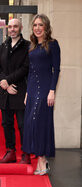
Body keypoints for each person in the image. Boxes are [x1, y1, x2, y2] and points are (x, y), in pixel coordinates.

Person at [22, 14, 61, 175]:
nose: (37, 28)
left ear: (46, 27)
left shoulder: (53, 44)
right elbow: (31, 71)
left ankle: (43, 161)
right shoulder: (31, 47)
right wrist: (26, 92)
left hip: (45, 90)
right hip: (31, 90)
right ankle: (40, 159)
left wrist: (52, 91)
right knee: (31, 124)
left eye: (40, 25)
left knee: (40, 124)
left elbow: (56, 69)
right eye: (35, 25)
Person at [0, 19, 30, 164]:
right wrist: (4, 83)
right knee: (6, 123)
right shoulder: (3, 46)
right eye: (10, 27)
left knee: (22, 124)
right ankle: (11, 152)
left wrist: (7, 81)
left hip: (20, 91)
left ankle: (26, 153)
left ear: (21, 28)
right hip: (4, 92)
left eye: (15, 26)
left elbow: (25, 68)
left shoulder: (27, 46)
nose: (12, 29)